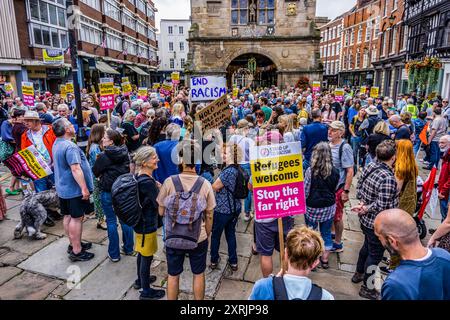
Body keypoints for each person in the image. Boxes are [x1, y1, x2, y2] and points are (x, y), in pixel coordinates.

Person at [157, 140, 216, 300]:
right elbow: (210, 214)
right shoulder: (205, 184)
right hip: (198, 236)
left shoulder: (170, 182)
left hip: (174, 235)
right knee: (198, 273)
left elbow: (161, 211)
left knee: (173, 274)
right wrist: (208, 232)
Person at [351, 140, 398, 300]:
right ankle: (368, 287)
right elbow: (382, 204)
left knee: (367, 246)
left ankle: (358, 273)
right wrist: (366, 207)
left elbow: (359, 186)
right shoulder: (388, 177)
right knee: (375, 255)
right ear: (393, 157)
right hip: (378, 223)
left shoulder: (370, 166)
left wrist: (362, 202)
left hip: (366, 221)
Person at [375, 209, 450, 300]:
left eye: (379, 237)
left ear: (392, 241)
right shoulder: (443, 255)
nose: (379, 241)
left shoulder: (396, 284)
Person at [249, 226, 334, 300]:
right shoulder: (326, 297)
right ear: (315, 263)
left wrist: (274, 282)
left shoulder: (262, 287)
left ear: (285, 254)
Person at [52, 118, 94, 261]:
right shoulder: (70, 147)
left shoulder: (57, 143)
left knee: (68, 216)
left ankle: (73, 244)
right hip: (73, 189)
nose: (73, 126)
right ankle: (77, 251)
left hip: (63, 188)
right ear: (66, 130)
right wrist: (84, 188)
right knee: (76, 218)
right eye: (70, 125)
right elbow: (75, 168)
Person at [92, 129, 134, 262]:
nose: (102, 139)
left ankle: (114, 254)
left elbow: (95, 171)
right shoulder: (124, 151)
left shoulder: (104, 156)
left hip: (109, 191)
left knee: (111, 222)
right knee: (125, 220)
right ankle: (128, 247)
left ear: (111, 141)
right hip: (123, 191)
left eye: (104, 137)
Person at [132, 146, 166, 300]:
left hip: (140, 223)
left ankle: (140, 280)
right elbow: (158, 203)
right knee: (147, 256)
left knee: (141, 252)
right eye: (154, 157)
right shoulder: (147, 182)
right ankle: (146, 292)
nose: (157, 159)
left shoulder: (140, 176)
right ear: (145, 163)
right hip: (147, 224)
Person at [304, 142, 339, 269]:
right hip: (328, 207)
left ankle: (312, 259)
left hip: (312, 207)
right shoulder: (335, 171)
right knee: (326, 233)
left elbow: (306, 191)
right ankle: (324, 260)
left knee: (311, 233)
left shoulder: (310, 171)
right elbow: (334, 188)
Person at [210, 143, 244, 271]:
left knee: (216, 236)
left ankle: (214, 260)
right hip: (235, 208)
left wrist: (217, 186)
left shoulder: (228, 171)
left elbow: (215, 186)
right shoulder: (239, 169)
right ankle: (233, 261)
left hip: (222, 210)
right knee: (230, 234)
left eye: (226, 153)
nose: (223, 155)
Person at [328, 121, 354, 253]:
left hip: (338, 188)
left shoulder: (345, 147)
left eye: (333, 130)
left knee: (337, 216)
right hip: (328, 187)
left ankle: (338, 243)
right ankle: (332, 234)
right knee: (331, 215)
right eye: (329, 129)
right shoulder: (329, 145)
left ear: (340, 132)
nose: (330, 132)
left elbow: (350, 170)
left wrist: (346, 191)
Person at [21, 110, 57, 193]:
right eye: (25, 120)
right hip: (38, 170)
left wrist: (56, 161)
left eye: (29, 120)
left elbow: (58, 146)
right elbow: (25, 153)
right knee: (41, 195)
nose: (26, 123)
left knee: (57, 193)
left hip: (53, 167)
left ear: (37, 121)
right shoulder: (25, 135)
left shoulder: (50, 130)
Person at [86, 123, 107, 230]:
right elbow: (99, 163)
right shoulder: (95, 148)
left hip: (97, 176)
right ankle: (100, 220)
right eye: (104, 131)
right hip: (97, 177)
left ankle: (102, 217)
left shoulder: (96, 146)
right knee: (98, 198)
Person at [437, 135, 450, 222]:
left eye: (443, 143)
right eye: (439, 142)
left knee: (445, 216)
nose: (440, 145)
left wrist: (443, 191)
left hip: (446, 193)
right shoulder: (446, 154)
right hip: (444, 189)